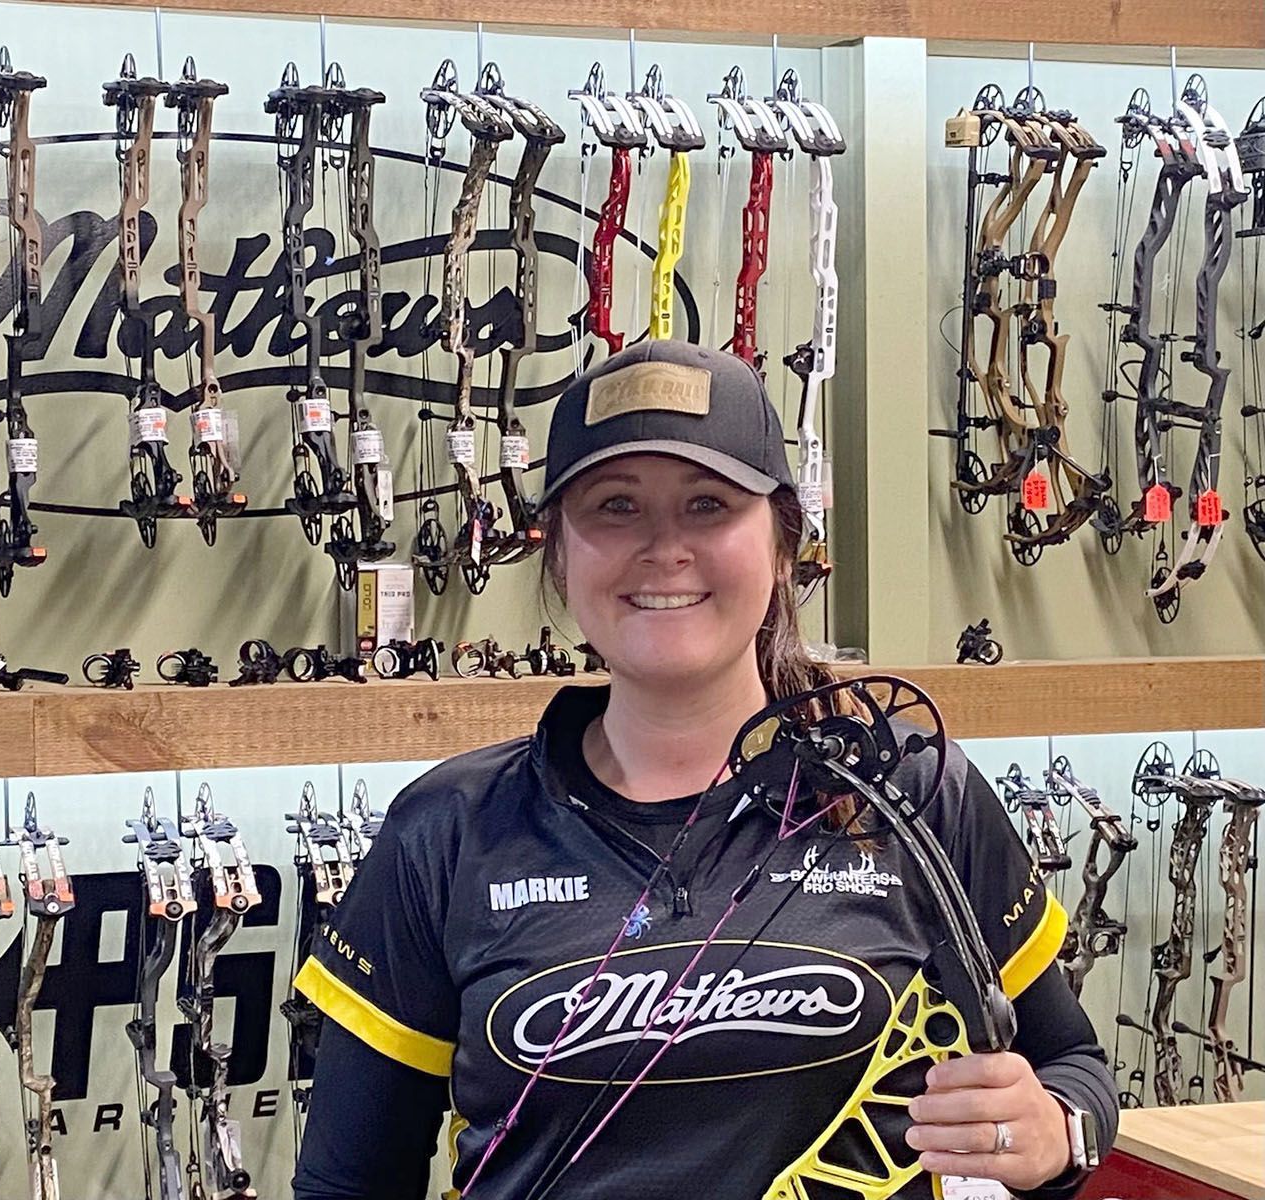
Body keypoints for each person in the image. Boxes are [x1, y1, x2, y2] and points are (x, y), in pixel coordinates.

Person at [290, 341, 1117, 1200]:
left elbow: (1075, 1070)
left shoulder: (911, 793)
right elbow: (346, 1183)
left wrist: (1053, 1134)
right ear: (560, 553)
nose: (664, 547)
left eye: (709, 504)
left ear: (783, 541)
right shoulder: (448, 831)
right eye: (616, 506)